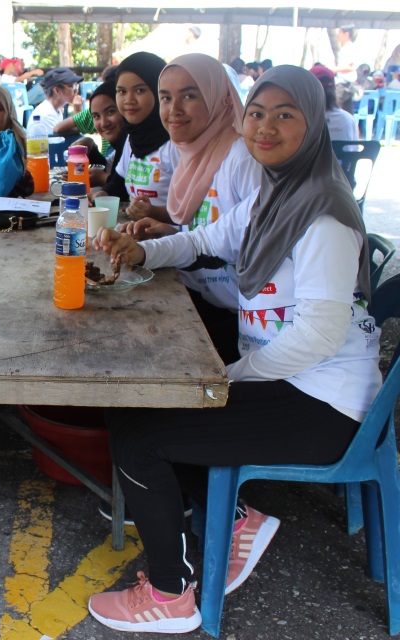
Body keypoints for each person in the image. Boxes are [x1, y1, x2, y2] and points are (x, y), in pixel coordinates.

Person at [87, 65, 380, 634]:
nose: (265, 128)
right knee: (131, 408)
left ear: (313, 123)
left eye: (285, 116)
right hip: (287, 380)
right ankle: (239, 519)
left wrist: (234, 373)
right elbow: (204, 239)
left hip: (323, 403)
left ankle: (170, 596)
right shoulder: (277, 193)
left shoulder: (324, 214)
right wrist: (141, 252)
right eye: (257, 114)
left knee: (143, 437)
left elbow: (319, 335)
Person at [128, 53, 260, 362]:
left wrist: (174, 248)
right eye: (165, 97)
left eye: (189, 96)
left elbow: (254, 252)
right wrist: (172, 232)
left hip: (240, 320)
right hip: (197, 296)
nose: (173, 110)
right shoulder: (190, 151)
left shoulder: (242, 158)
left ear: (220, 99)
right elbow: (212, 234)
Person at [91, 52, 178, 222]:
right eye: (121, 91)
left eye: (139, 90)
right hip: (139, 236)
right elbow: (119, 181)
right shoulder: (132, 138)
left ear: (159, 90)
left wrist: (153, 212)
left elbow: (193, 213)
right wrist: (104, 193)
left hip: (172, 242)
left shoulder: (177, 142)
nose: (128, 100)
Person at [67, 80, 127, 188]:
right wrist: (91, 148)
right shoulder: (119, 149)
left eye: (110, 112)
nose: (104, 123)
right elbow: (109, 168)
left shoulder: (137, 145)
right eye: (96, 116)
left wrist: (103, 179)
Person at [309, 64, 360, 142]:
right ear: (334, 89)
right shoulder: (348, 119)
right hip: (342, 154)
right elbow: (354, 150)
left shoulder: (302, 122)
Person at [30, 67, 83, 136]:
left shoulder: (54, 110)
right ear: (57, 91)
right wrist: (78, 113)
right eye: (71, 86)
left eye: (76, 86)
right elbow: (62, 144)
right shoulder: (47, 115)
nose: (76, 90)